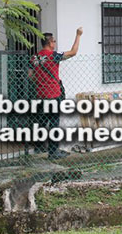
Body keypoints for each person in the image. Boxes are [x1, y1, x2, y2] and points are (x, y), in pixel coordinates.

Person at [30, 27, 83, 159]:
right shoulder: (53, 56)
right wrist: (78, 35)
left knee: (41, 121)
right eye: (54, 41)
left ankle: (39, 147)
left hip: (40, 95)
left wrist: (41, 81)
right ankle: (53, 152)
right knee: (54, 123)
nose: (55, 43)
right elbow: (73, 52)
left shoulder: (35, 57)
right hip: (53, 95)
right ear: (50, 43)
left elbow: (30, 75)